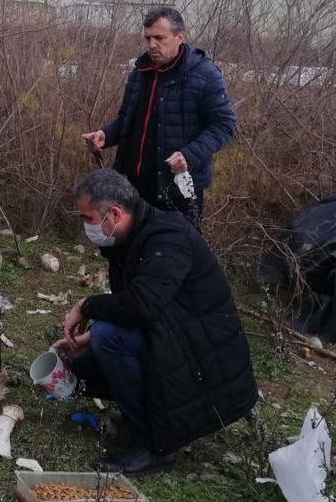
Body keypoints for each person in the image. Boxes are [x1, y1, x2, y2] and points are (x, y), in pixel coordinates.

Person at [54, 169, 256, 474]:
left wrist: (86, 306)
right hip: (178, 336)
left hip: (205, 359)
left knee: (108, 337)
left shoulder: (167, 237)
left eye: (88, 218)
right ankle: (141, 415)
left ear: (116, 213)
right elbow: (138, 305)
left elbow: (142, 305)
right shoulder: (128, 240)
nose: (85, 227)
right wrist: (89, 338)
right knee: (83, 361)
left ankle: (153, 447)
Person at [82, 7, 235, 228]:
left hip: (176, 188)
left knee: (174, 253)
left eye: (159, 38)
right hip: (132, 184)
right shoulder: (141, 71)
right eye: (148, 38)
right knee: (129, 251)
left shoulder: (205, 74)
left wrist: (188, 155)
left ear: (180, 37)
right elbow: (128, 120)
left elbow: (224, 125)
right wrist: (106, 135)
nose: (152, 44)